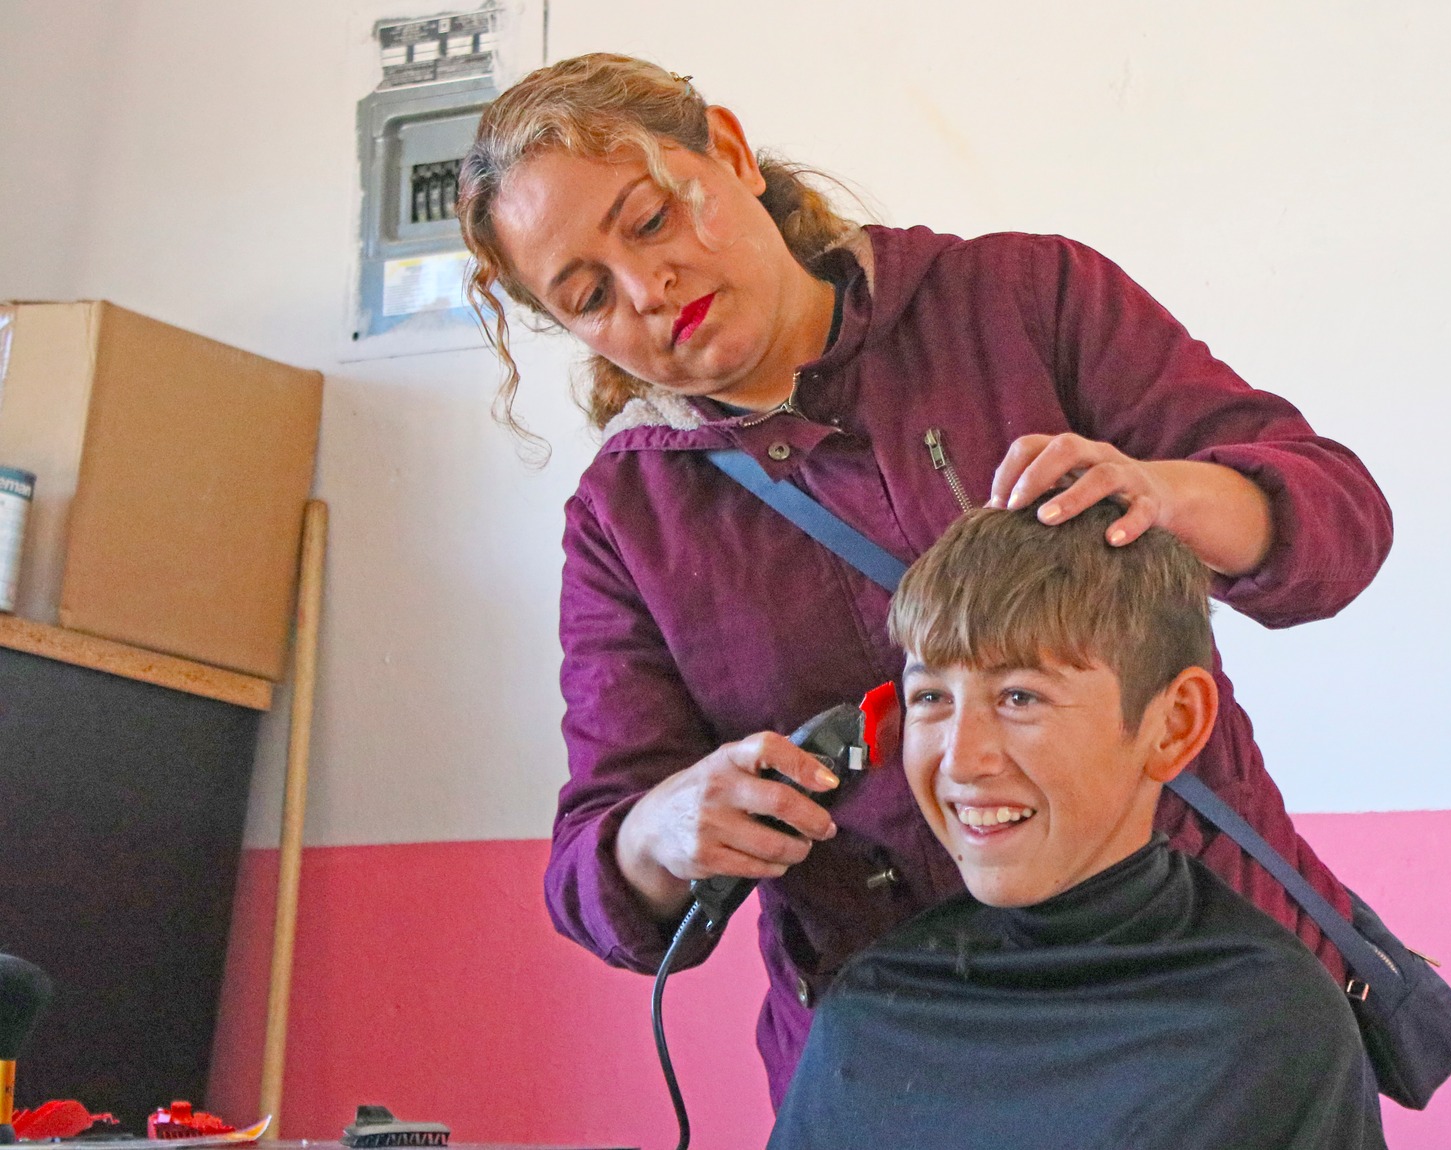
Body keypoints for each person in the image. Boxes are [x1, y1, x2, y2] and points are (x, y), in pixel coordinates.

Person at [456, 52, 1396, 1102]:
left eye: (650, 219)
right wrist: (660, 831)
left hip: (1199, 995)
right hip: (897, 1053)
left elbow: (1338, 524)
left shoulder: (1022, 300)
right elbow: (593, 874)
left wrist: (1162, 492)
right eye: (588, 296)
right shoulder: (627, 517)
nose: (645, 290)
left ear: (727, 151)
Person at [767, 500, 1382, 1150]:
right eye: (931, 698)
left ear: (1172, 726)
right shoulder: (872, 1013)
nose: (961, 759)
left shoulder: (1268, 1023)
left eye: (1020, 697)